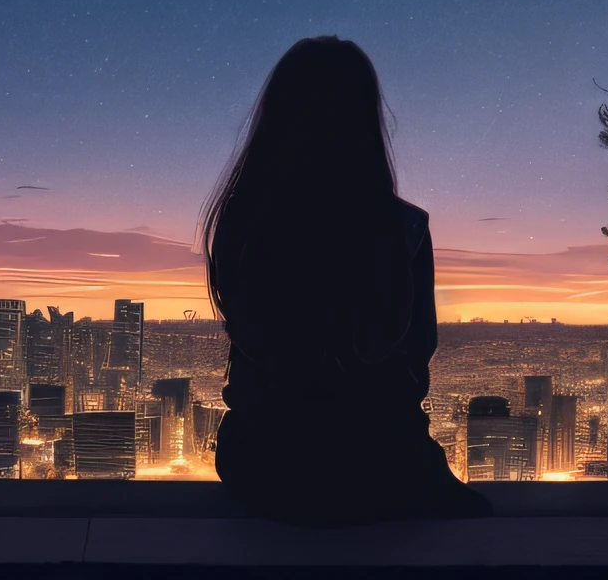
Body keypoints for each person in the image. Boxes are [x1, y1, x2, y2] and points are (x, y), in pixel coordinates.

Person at [203, 36, 492, 525]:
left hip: (262, 462)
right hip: (381, 465)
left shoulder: (242, 223)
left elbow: (255, 347)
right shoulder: (403, 230)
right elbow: (414, 358)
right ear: (366, 120)